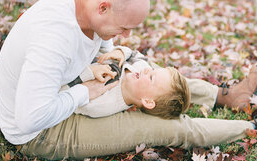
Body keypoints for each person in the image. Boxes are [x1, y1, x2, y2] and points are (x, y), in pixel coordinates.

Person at [0, 0, 257, 160]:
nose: (124, 35)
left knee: (154, 77)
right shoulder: (54, 38)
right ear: (104, 7)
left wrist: (113, 56)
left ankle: (227, 97)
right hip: (42, 130)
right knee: (165, 127)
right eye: (123, 27)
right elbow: (29, 118)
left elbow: (105, 42)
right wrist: (84, 92)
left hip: (67, 88)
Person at [63, 47, 191, 119]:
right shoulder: (141, 67)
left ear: (147, 101)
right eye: (153, 70)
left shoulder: (104, 104)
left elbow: (66, 95)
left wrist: (88, 72)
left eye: (152, 77)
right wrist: (121, 52)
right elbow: (135, 54)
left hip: (63, 69)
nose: (147, 69)